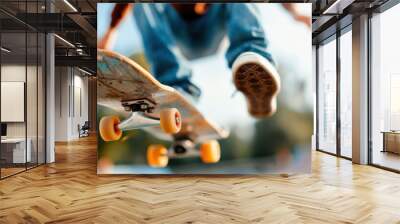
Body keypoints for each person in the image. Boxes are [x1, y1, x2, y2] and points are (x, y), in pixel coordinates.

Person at [99, 3, 309, 118]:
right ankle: (177, 88)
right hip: (177, 34)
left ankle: (251, 58)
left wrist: (296, 13)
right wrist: (111, 31)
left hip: (211, 29)